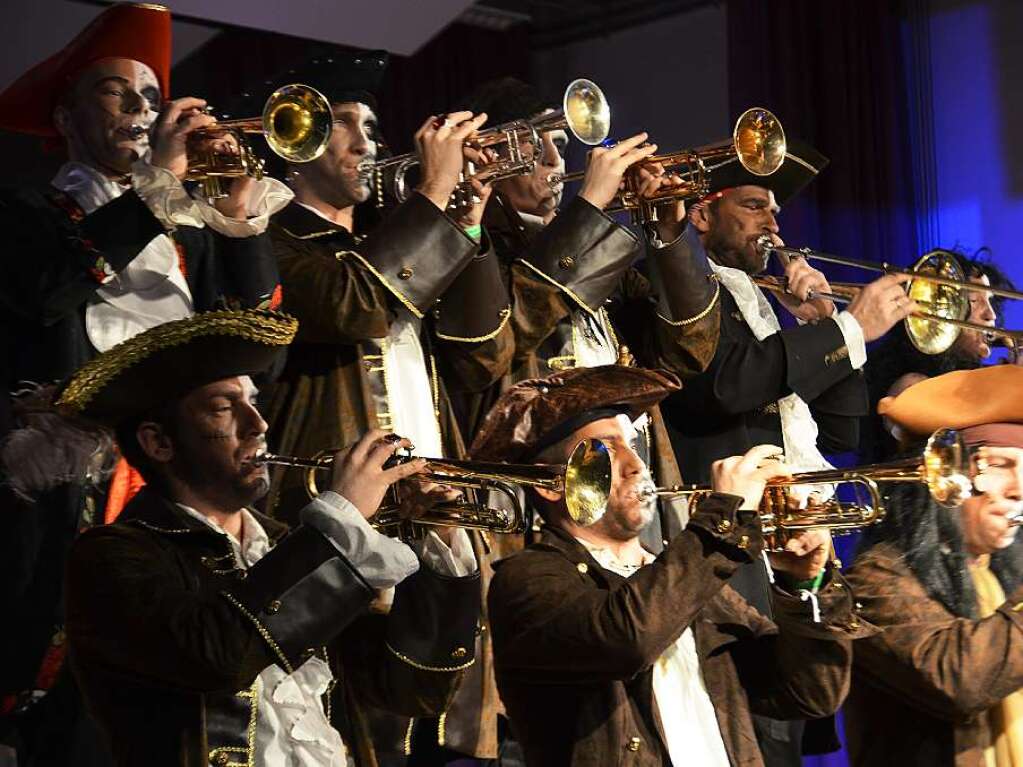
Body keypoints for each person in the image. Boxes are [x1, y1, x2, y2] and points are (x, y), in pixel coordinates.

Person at [0, 5, 288, 763]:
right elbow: (45, 289)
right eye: (115, 93)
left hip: (172, 483)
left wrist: (240, 223)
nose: (140, 110)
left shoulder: (188, 226)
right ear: (64, 114)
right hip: (67, 493)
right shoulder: (28, 209)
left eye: (151, 96)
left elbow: (259, 352)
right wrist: (160, 189)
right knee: (66, 712)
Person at [427, 78, 722, 764]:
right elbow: (491, 351)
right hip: (536, 518)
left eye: (562, 150)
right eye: (538, 151)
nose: (559, 167)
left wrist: (671, 230)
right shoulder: (476, 245)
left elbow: (691, 352)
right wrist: (589, 213)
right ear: (490, 160)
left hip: (631, 498)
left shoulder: (603, 255)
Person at [58, 308, 482, 767]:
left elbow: (412, 690)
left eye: (254, 401)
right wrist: (343, 518)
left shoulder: (288, 544)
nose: (258, 424)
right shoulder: (112, 555)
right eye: (225, 406)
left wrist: (439, 546)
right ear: (159, 442)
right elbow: (217, 658)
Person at [657, 141, 919, 764]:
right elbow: (724, 383)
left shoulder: (760, 303)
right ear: (700, 214)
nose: (772, 223)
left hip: (790, 553)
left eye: (774, 210)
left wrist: (818, 323)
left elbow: (841, 435)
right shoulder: (682, 291)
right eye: (753, 206)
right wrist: (850, 328)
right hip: (731, 558)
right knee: (749, 730)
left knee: (787, 729)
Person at [468, 364, 870, 767]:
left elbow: (810, 693)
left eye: (632, 443)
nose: (636, 464)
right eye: (607, 448)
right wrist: (724, 515)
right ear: (550, 483)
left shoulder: (685, 575)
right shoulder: (527, 580)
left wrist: (805, 582)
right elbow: (629, 637)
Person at [843, 365, 1023, 767]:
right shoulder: (875, 579)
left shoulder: (1004, 575)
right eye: (1000, 465)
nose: (1019, 490)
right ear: (947, 476)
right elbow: (960, 677)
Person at [862, 249, 1018, 463]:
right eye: (974, 300)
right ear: (937, 314)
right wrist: (1011, 380)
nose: (990, 315)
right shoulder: (910, 384)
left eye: (990, 301)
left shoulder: (977, 379)